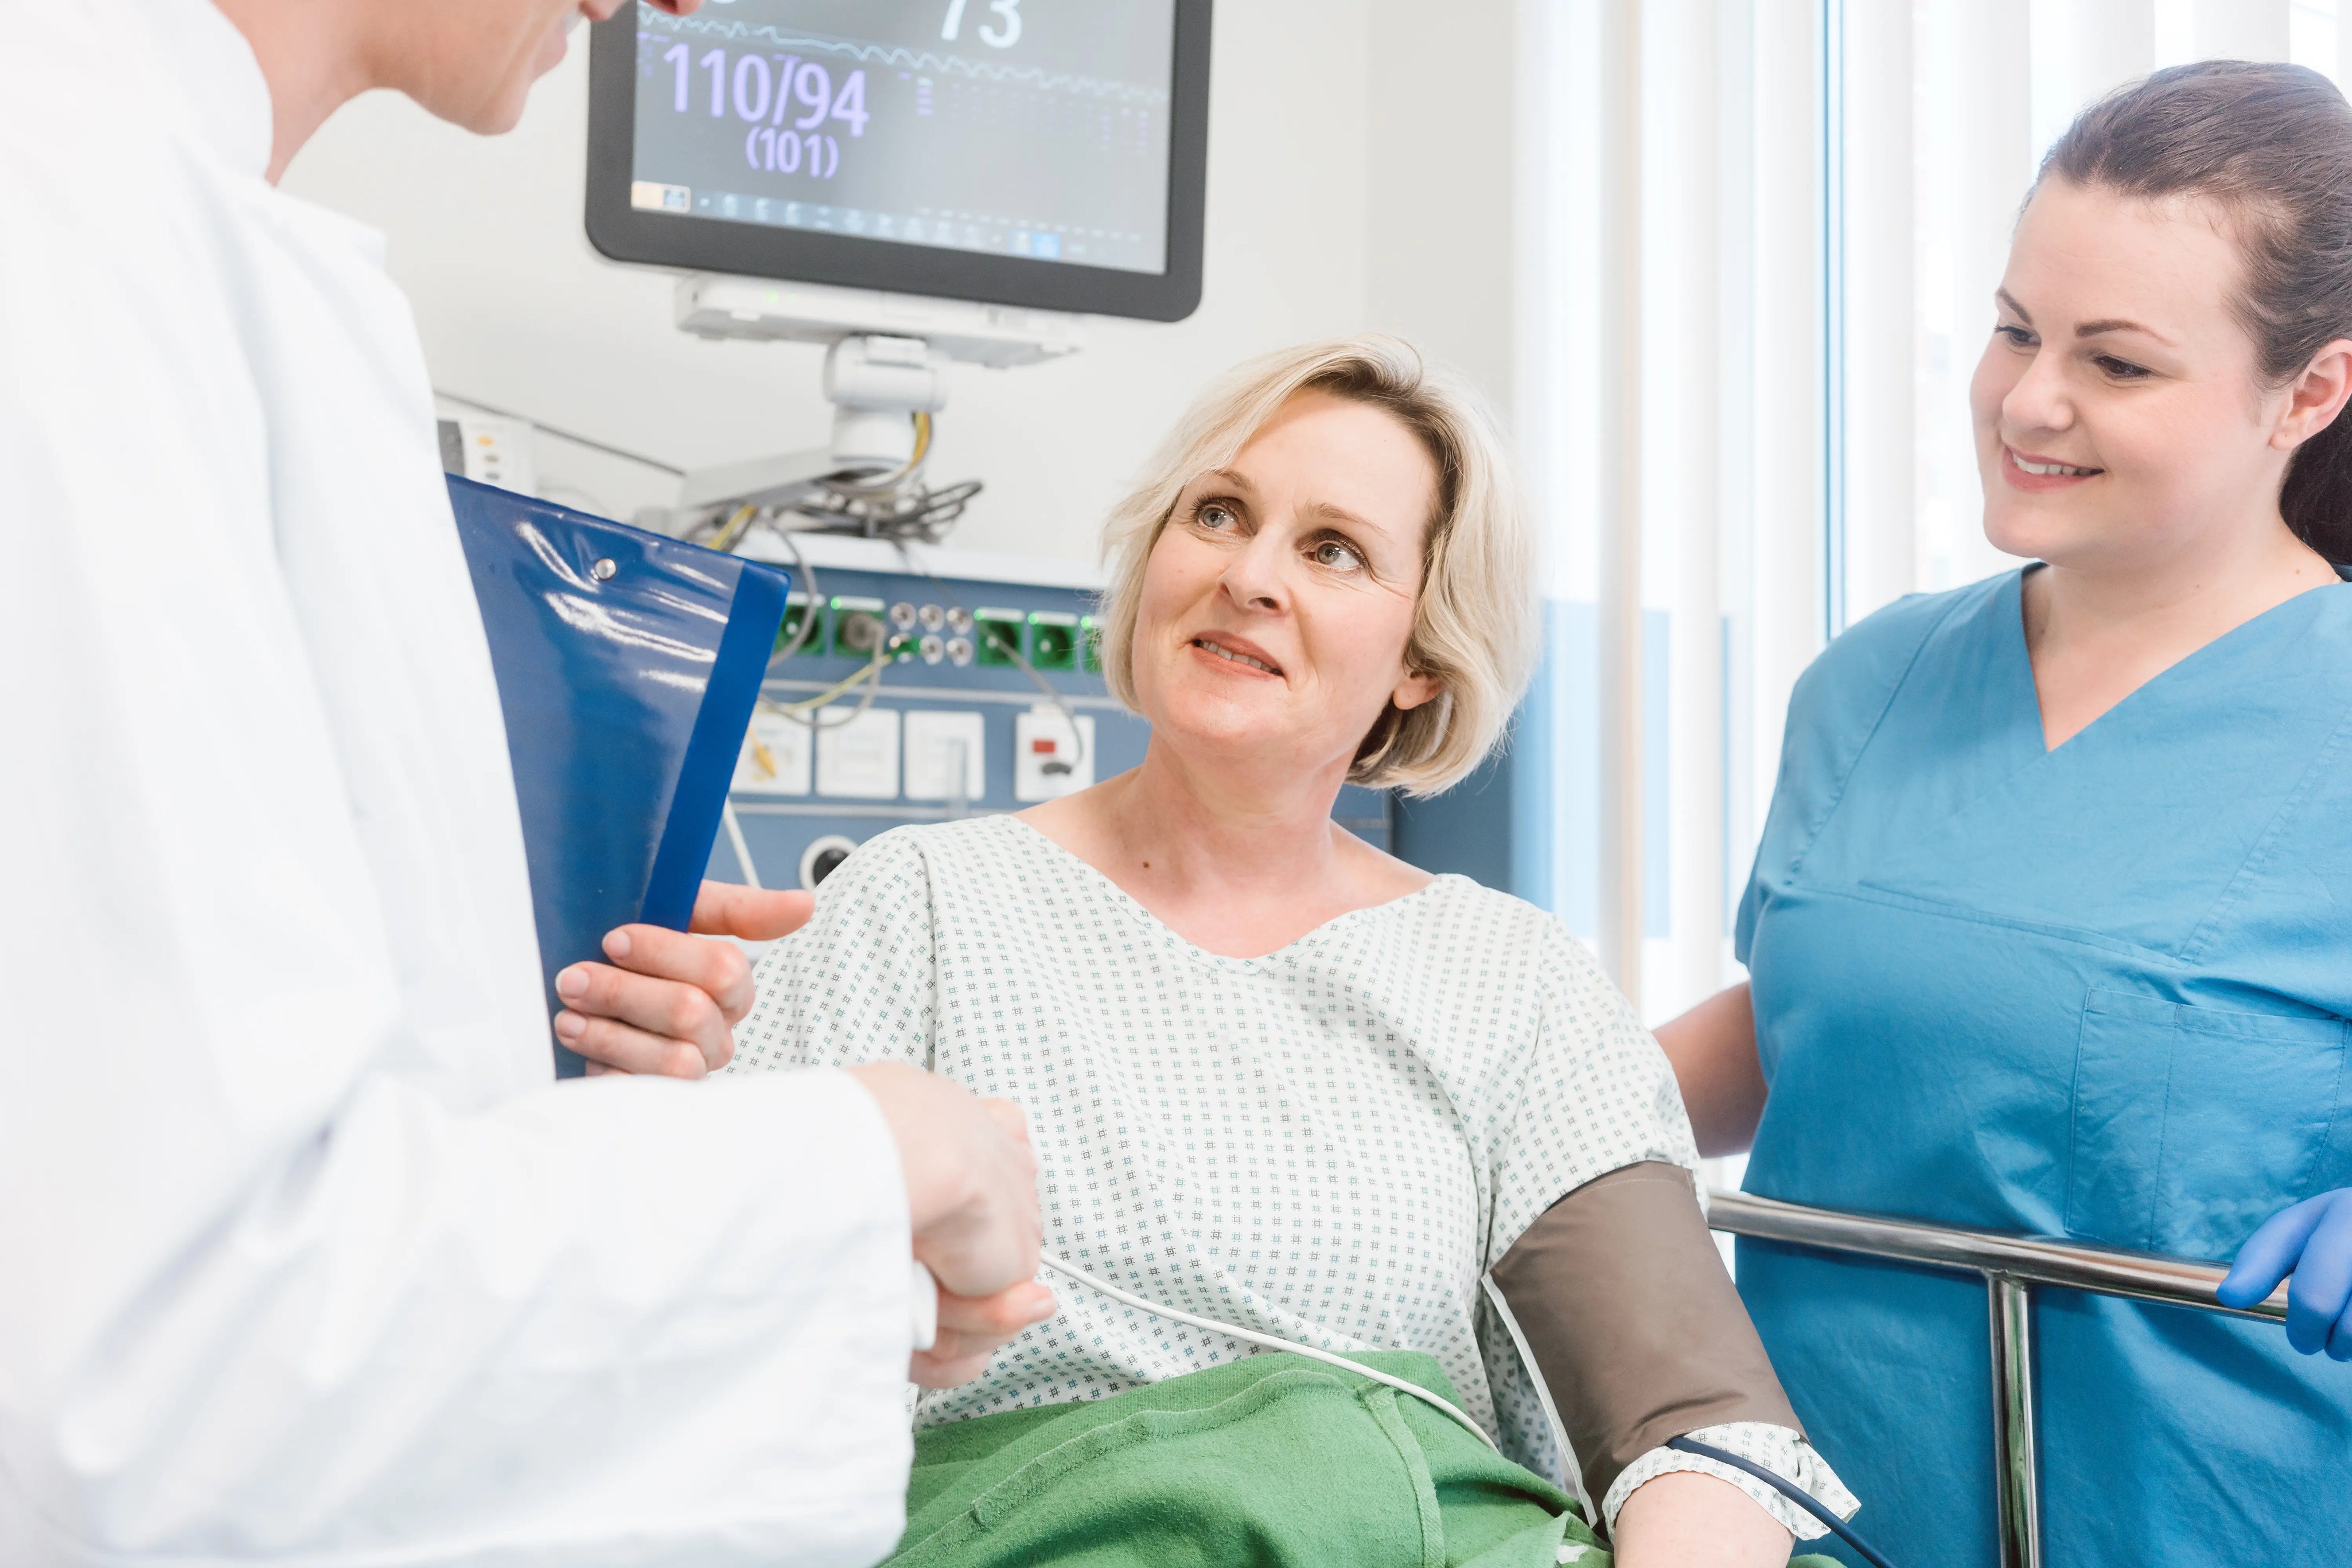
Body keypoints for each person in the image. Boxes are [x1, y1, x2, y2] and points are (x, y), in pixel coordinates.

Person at [0, 1, 1049, 1563]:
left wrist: (498, 954)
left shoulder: (188, 236)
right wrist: (889, 1148)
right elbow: (166, 1373)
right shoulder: (69, 222)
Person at [688, 337, 1858, 1565]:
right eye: (1218, 513)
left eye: (1332, 549)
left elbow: (1694, 1429)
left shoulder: (1511, 979)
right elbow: (733, 1362)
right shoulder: (915, 910)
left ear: (1420, 656)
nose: (1248, 574)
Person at [1655, 60, 2352, 1568]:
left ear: (2306, 390)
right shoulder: (1875, 678)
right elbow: (1809, 1025)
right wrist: (1492, 1110)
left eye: (2117, 362)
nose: (2028, 400)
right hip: (1804, 1525)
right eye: (2012, 329)